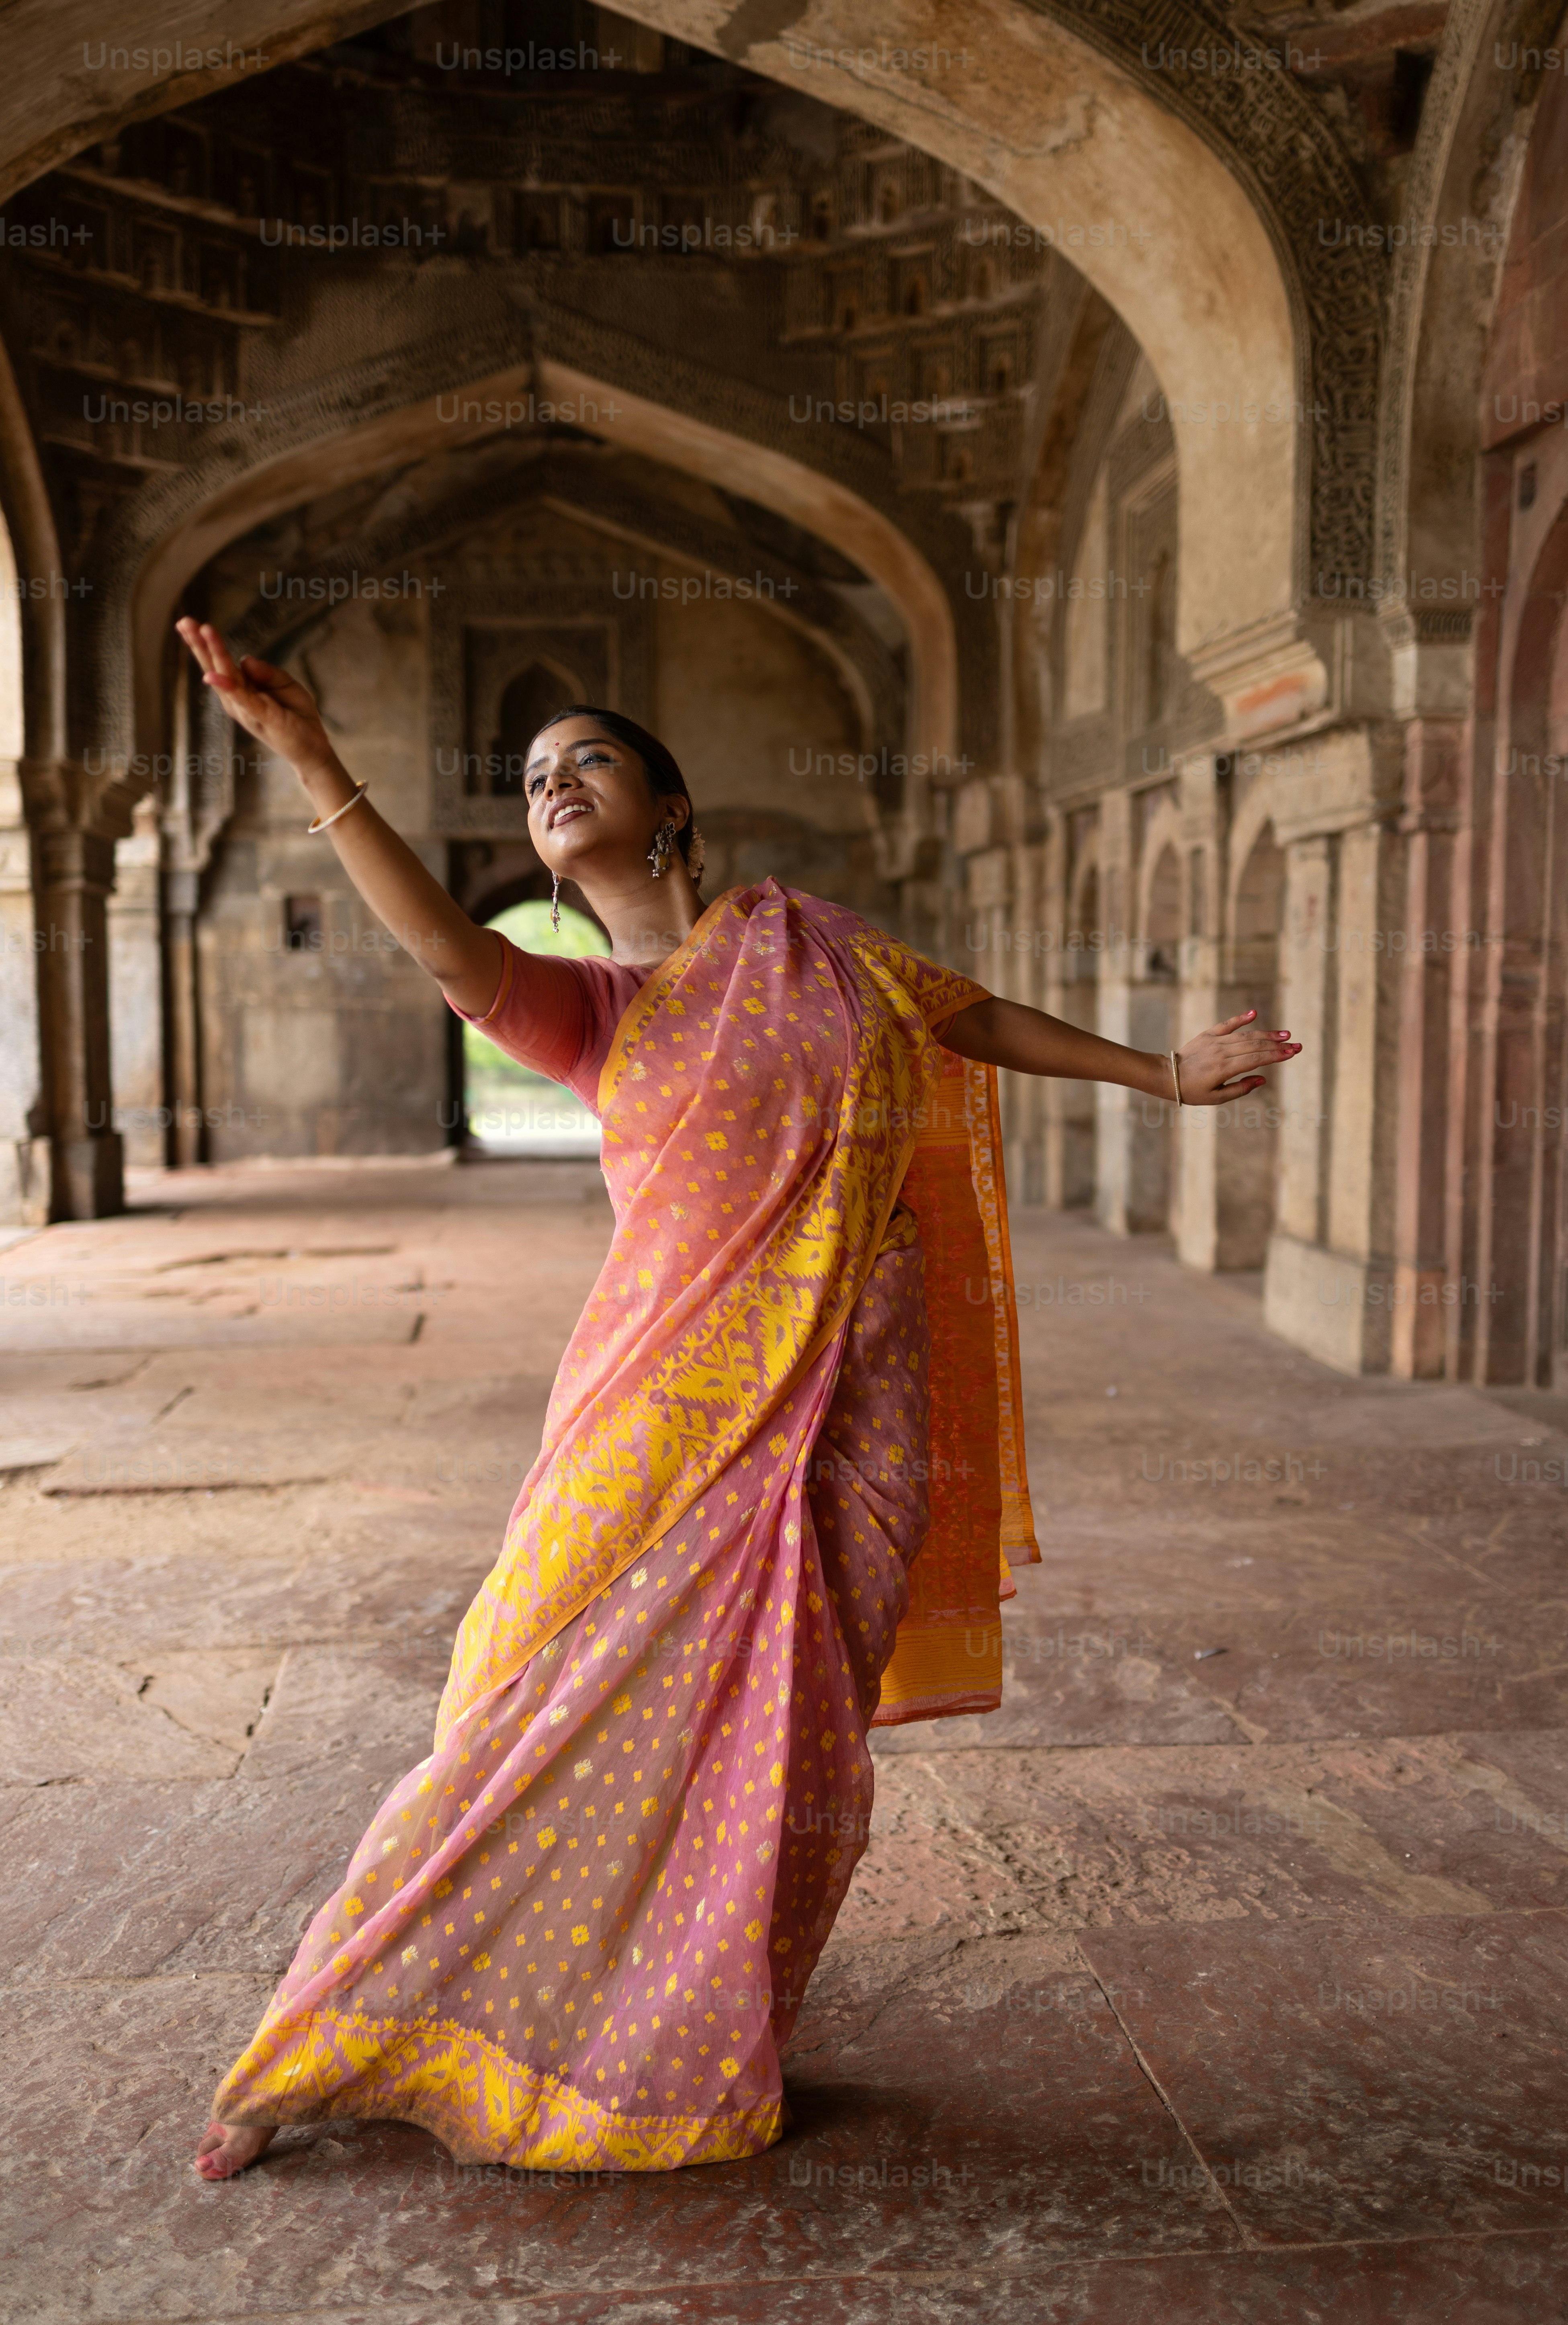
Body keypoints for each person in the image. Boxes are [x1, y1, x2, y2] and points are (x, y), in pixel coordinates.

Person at [177, 618, 1301, 2180]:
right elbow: (446, 951)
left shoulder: (820, 946)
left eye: (590, 760)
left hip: (860, 1405)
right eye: (532, 778)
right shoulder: (592, 1014)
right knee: (512, 1695)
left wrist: (1161, 1076)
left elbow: (960, 1016)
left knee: (789, 1729)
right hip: (662, 1407)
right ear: (542, 855)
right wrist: (308, 757)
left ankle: (692, 2026)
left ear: (671, 804)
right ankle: (344, 2024)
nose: (557, 783)